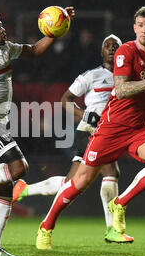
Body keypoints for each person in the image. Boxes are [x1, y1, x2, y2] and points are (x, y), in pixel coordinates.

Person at [35, 6, 145, 250]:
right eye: (140, 25)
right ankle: (46, 226)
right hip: (111, 127)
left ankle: (119, 204)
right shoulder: (125, 52)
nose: (144, 30)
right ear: (134, 28)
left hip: (139, 127)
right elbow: (120, 90)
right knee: (80, 182)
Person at [0, 8, 76, 256]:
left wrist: (55, 29)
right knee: (19, 168)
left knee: (6, 183)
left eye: (1, 25)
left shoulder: (6, 48)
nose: (2, 29)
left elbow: (35, 50)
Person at [11, 34, 132, 243]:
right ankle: (113, 229)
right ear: (101, 52)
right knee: (110, 171)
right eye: (107, 45)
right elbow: (65, 99)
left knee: (73, 182)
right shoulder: (92, 75)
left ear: (122, 52)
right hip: (91, 130)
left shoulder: (129, 78)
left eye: (116, 45)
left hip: (113, 133)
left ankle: (26, 189)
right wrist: (84, 115)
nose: (112, 48)